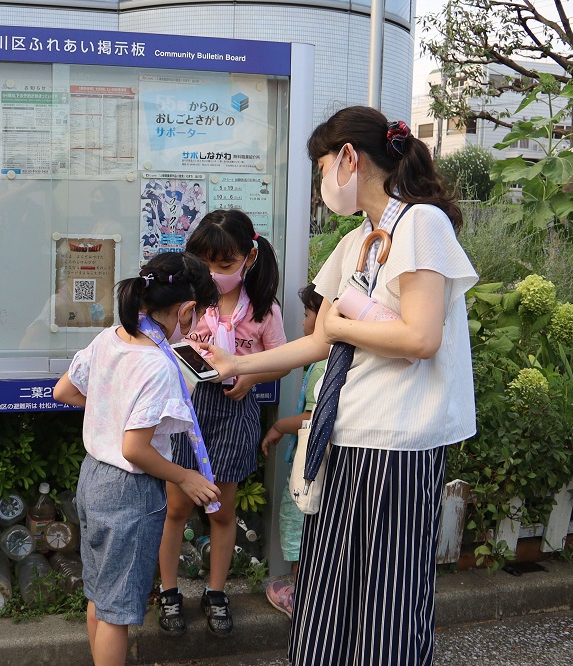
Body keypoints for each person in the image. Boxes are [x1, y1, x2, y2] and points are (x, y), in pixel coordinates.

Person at [200, 106, 478, 666]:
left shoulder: (422, 224)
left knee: (387, 599)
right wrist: (238, 366)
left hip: (399, 440)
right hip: (344, 433)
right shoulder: (356, 241)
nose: (323, 180)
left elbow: (421, 336)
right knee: (328, 593)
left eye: (323, 165)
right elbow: (319, 341)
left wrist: (341, 325)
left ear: (349, 158)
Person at [53, 251, 222, 666]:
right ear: (186, 309)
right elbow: (135, 449)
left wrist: (112, 409)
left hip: (93, 478)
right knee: (118, 612)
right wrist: (184, 475)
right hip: (130, 491)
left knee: (100, 596)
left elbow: (65, 391)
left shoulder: (110, 337)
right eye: (197, 313)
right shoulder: (158, 365)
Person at [156, 208, 288, 637]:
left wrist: (251, 376)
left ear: (249, 258)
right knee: (176, 507)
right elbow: (165, 347)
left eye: (225, 264)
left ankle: (216, 592)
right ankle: (169, 591)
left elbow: (282, 362)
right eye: (206, 263)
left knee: (220, 510)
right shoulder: (189, 306)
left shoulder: (265, 310)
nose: (214, 273)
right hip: (189, 409)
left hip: (234, 413)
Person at [259, 283, 328, 619]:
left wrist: (277, 426)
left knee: (301, 521)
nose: (303, 322)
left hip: (310, 466)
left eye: (306, 314)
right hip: (327, 464)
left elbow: (311, 417)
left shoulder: (322, 365)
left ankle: (303, 600)